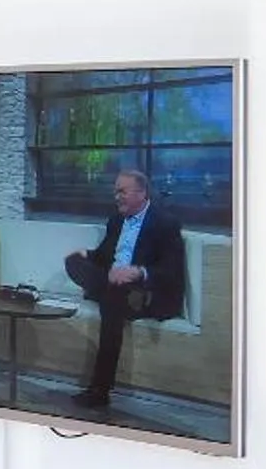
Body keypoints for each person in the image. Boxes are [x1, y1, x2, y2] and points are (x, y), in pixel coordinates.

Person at [62, 168, 187, 411]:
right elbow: (104, 255)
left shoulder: (165, 223)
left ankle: (100, 390)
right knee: (73, 261)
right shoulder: (116, 219)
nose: (117, 197)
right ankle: (106, 286)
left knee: (113, 298)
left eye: (122, 191)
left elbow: (171, 271)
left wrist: (138, 272)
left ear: (141, 193)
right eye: (115, 192)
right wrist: (86, 255)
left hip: (143, 288)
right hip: (116, 285)